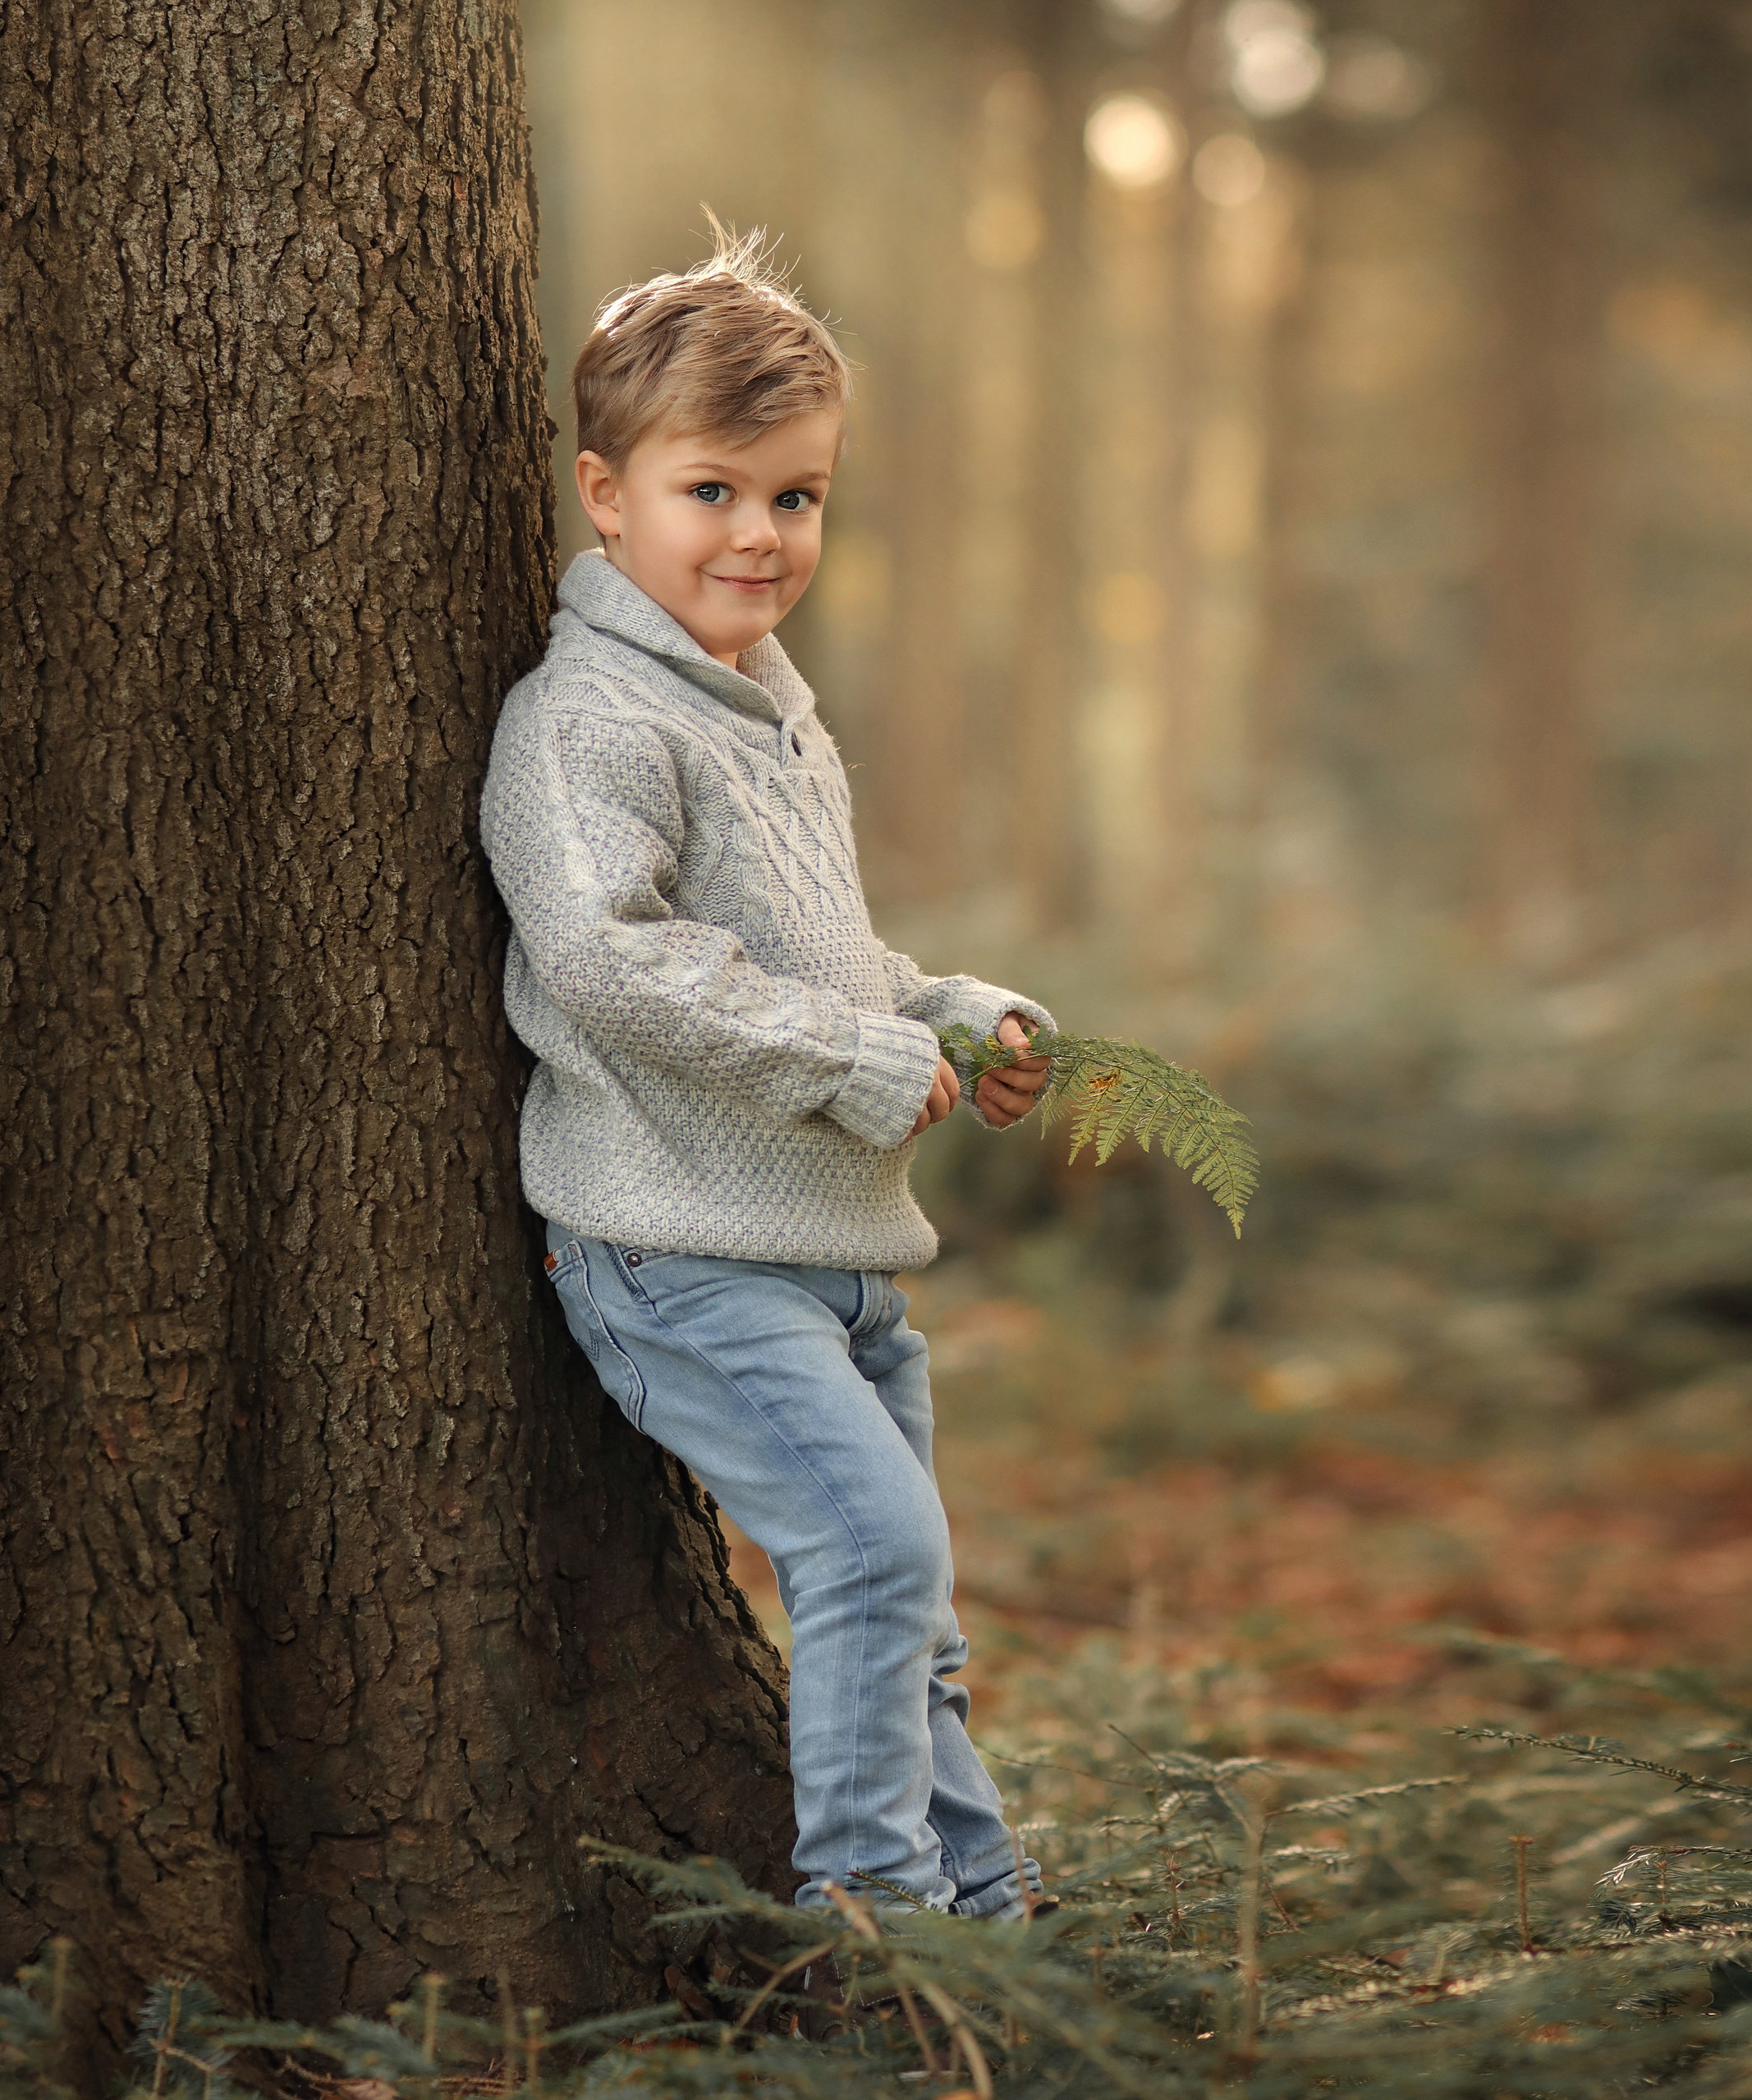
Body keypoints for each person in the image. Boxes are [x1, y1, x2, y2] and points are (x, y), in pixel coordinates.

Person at [479, 227, 1055, 1920]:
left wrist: (949, 1011)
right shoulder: (588, 719)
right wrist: (862, 1060)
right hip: (685, 1254)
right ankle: (867, 1929)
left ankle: (987, 1931)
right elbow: (609, 960)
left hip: (835, 1261)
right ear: (606, 492)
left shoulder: (763, 711)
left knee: (911, 1609)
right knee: (872, 1557)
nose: (757, 535)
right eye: (710, 491)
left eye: (793, 498)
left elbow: (826, 964)